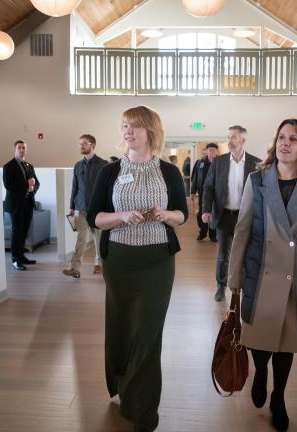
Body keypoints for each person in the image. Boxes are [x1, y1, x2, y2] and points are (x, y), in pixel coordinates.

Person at [86, 106, 187, 432]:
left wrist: (165, 214)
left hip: (157, 262)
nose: (128, 131)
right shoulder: (110, 172)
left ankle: (142, 410)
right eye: (125, 126)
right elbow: (94, 217)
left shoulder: (169, 172)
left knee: (147, 332)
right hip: (120, 262)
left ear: (151, 132)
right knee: (121, 327)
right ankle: (121, 382)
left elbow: (182, 215)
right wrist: (121, 216)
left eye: (135, 127)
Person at [227, 119, 297, 431]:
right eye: (282, 137)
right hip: (262, 271)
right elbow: (242, 229)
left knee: (287, 341)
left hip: (296, 276)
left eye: (294, 139)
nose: (286, 143)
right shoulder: (258, 181)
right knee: (260, 337)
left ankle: (280, 396)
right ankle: (260, 371)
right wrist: (234, 277)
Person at [202, 126, 259, 301]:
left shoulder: (257, 164)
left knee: (246, 254)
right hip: (224, 215)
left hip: (246, 217)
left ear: (243, 140)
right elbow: (208, 188)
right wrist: (206, 210)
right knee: (223, 255)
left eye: (233, 137)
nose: (229, 140)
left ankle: (243, 288)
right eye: (228, 137)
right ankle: (221, 286)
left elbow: (262, 192)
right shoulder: (218, 163)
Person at [63, 134, 108, 278]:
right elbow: (74, 187)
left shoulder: (103, 164)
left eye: (84, 143)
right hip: (80, 208)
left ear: (93, 145)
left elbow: (107, 188)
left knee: (98, 239)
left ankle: (99, 264)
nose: (81, 146)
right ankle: (75, 268)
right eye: (80, 144)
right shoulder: (77, 165)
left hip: (98, 210)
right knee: (81, 239)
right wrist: (71, 205)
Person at [3, 140, 40, 271]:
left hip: (28, 203)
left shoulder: (29, 165)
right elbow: (9, 185)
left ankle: (22, 256)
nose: (22, 150)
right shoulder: (8, 166)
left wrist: (32, 189)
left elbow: (37, 183)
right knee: (16, 232)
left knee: (24, 232)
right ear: (15, 149)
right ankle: (15, 260)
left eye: (24, 148)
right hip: (15, 205)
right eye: (19, 148)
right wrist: (27, 187)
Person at [190, 143, 218, 242]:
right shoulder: (199, 163)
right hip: (203, 193)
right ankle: (202, 232)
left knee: (214, 213)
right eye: (210, 150)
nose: (211, 152)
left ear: (216, 151)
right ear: (206, 151)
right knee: (201, 213)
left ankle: (213, 234)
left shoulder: (220, 163)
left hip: (216, 194)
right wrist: (193, 191)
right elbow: (195, 178)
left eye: (214, 150)